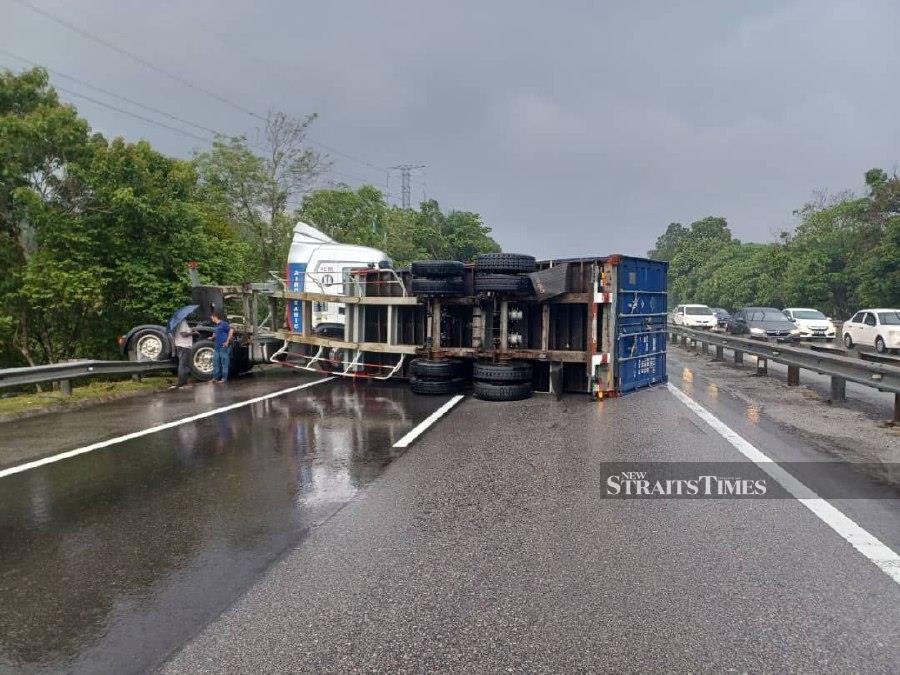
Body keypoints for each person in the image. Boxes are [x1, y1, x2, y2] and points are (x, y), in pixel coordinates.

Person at [210, 311, 234, 383]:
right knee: (216, 362)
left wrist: (227, 341)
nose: (211, 319)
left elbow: (231, 330)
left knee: (224, 362)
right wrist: (212, 337)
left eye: (212, 318)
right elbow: (215, 334)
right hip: (217, 346)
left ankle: (224, 378)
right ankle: (215, 378)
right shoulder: (216, 325)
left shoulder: (224, 324)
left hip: (223, 346)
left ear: (215, 317)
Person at [171, 318, 196, 389]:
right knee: (183, 365)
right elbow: (183, 334)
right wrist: (193, 333)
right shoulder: (183, 322)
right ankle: (181, 383)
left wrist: (191, 330)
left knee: (184, 365)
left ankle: (184, 382)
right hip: (183, 346)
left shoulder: (180, 322)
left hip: (183, 346)